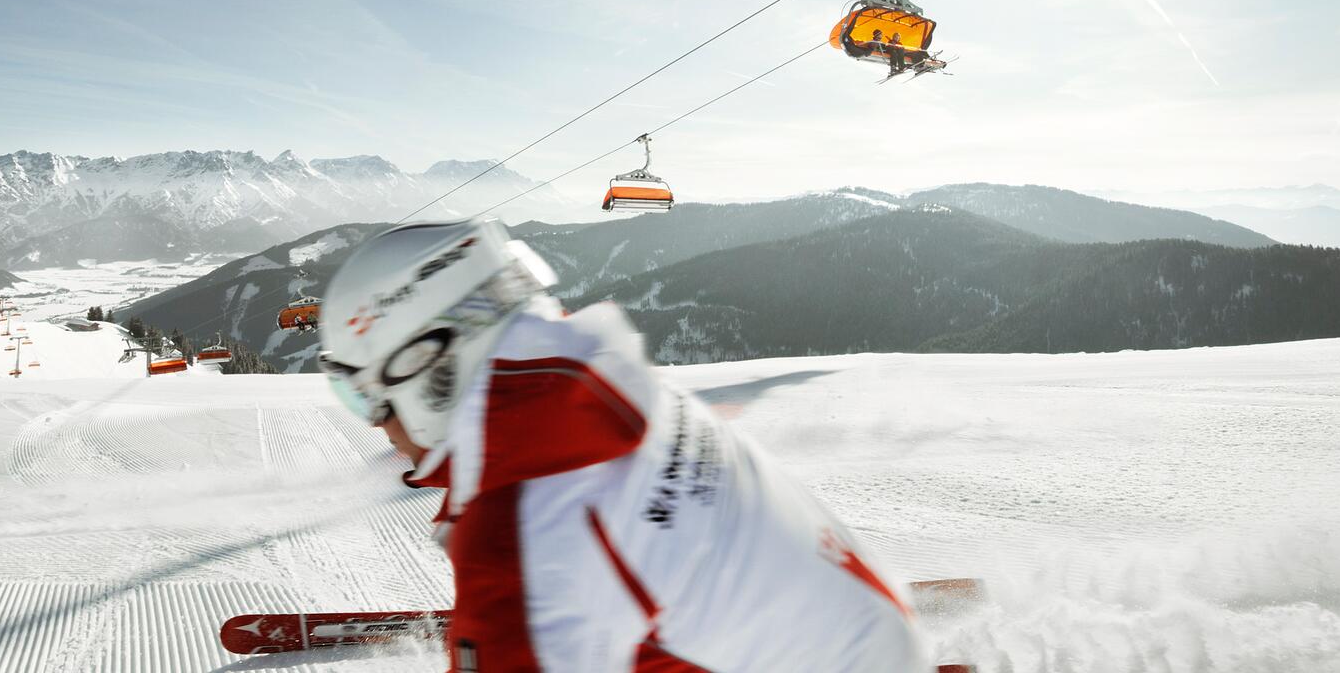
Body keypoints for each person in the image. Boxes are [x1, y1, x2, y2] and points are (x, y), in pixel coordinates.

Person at [317, 219, 926, 672]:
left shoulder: (523, 530)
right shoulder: (610, 395)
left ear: (427, 365)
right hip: (873, 636)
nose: (375, 423)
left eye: (362, 393)